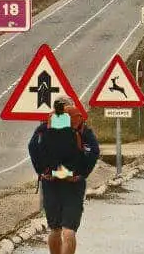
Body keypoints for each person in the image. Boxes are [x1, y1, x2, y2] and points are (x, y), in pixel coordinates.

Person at [28, 97, 100, 254]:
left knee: (55, 230)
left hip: (51, 182)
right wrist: (81, 174)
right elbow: (93, 152)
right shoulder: (81, 128)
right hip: (73, 184)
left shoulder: (44, 128)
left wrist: (42, 171)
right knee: (69, 231)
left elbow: (33, 147)